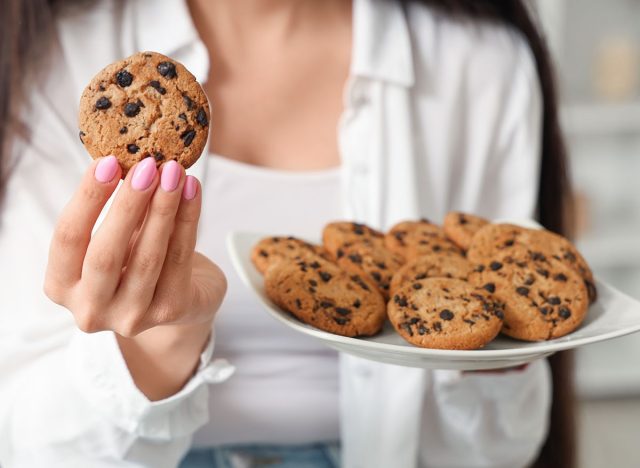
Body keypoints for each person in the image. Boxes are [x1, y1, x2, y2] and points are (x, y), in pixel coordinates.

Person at [0, 0, 576, 467]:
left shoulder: (481, 67)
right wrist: (163, 337)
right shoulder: (50, 58)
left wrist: (496, 350)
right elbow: (33, 446)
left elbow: (498, 452)